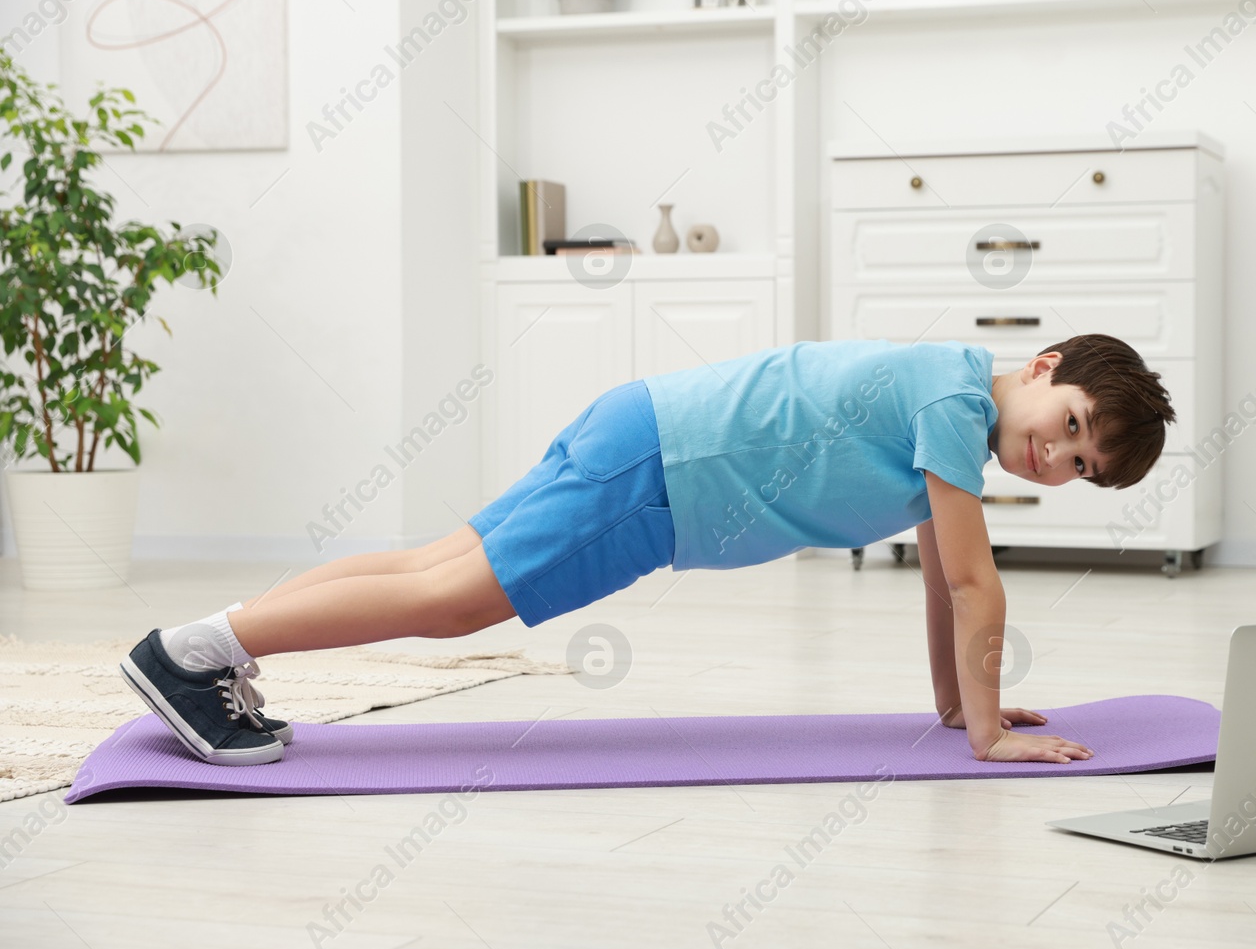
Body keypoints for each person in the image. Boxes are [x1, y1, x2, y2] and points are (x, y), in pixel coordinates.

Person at [120, 334, 1175, 768]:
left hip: (649, 433)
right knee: (455, 601)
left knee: (432, 562)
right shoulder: (953, 399)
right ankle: (195, 652)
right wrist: (990, 735)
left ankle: (214, 643)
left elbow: (949, 589)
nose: (1061, 453)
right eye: (1074, 421)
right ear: (1040, 368)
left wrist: (958, 708)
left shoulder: (944, 415)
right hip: (669, 474)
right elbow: (971, 580)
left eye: (1082, 465)